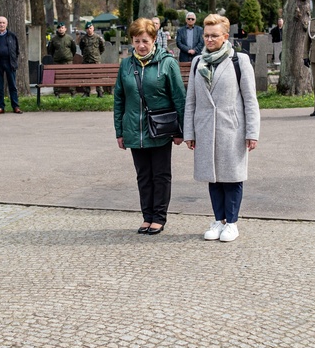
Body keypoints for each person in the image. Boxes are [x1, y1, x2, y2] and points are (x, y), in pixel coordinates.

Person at [184, 14, 260, 243]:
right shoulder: (198, 62)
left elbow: (250, 99)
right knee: (213, 177)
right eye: (206, 35)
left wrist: (252, 132)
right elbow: (191, 100)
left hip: (231, 127)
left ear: (225, 36)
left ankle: (232, 223)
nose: (209, 40)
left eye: (214, 36)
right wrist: (189, 132)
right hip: (205, 127)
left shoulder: (239, 61)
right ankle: (218, 219)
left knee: (232, 177)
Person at [114, 18, 186, 235]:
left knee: (161, 175)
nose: (141, 46)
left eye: (145, 41)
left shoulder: (167, 62)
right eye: (136, 41)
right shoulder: (126, 65)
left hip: (161, 129)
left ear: (154, 39)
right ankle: (147, 216)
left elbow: (179, 98)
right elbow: (119, 99)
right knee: (143, 175)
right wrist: (119, 131)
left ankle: (159, 218)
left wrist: (180, 130)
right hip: (134, 129)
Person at [47, 21, 77, 98]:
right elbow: (50, 50)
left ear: (65, 29)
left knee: (70, 76)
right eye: (59, 28)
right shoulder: (54, 39)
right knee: (57, 77)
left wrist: (69, 56)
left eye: (62, 28)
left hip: (68, 61)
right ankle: (57, 93)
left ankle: (72, 92)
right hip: (57, 62)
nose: (61, 29)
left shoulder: (69, 38)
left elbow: (74, 49)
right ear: (57, 29)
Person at [79, 21, 106, 97]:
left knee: (98, 76)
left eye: (90, 28)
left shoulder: (98, 38)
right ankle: (86, 92)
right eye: (87, 29)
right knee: (86, 76)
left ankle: (100, 92)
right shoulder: (83, 39)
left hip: (95, 60)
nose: (89, 30)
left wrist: (97, 55)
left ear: (93, 28)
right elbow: (82, 47)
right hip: (86, 60)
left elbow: (102, 48)